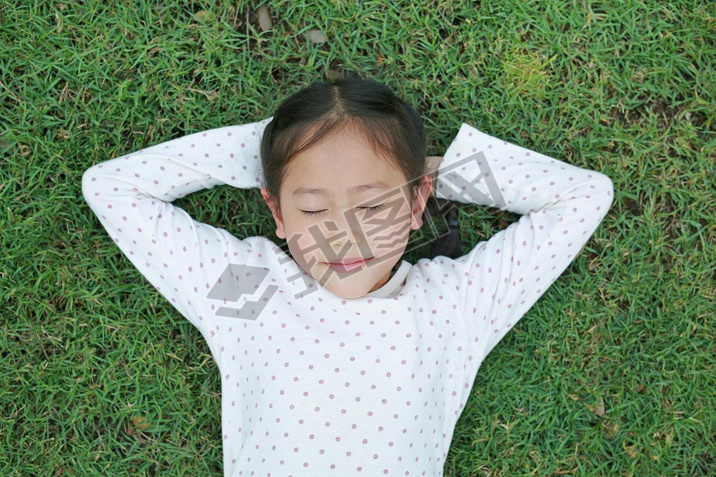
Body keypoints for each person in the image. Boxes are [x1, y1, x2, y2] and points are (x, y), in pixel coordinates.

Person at [82, 74, 614, 477]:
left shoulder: (455, 306)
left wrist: (438, 174)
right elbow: (112, 188)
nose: (345, 238)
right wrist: (271, 152)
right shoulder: (248, 290)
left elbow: (584, 196)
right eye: (313, 209)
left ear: (415, 205)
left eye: (374, 206)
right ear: (278, 214)